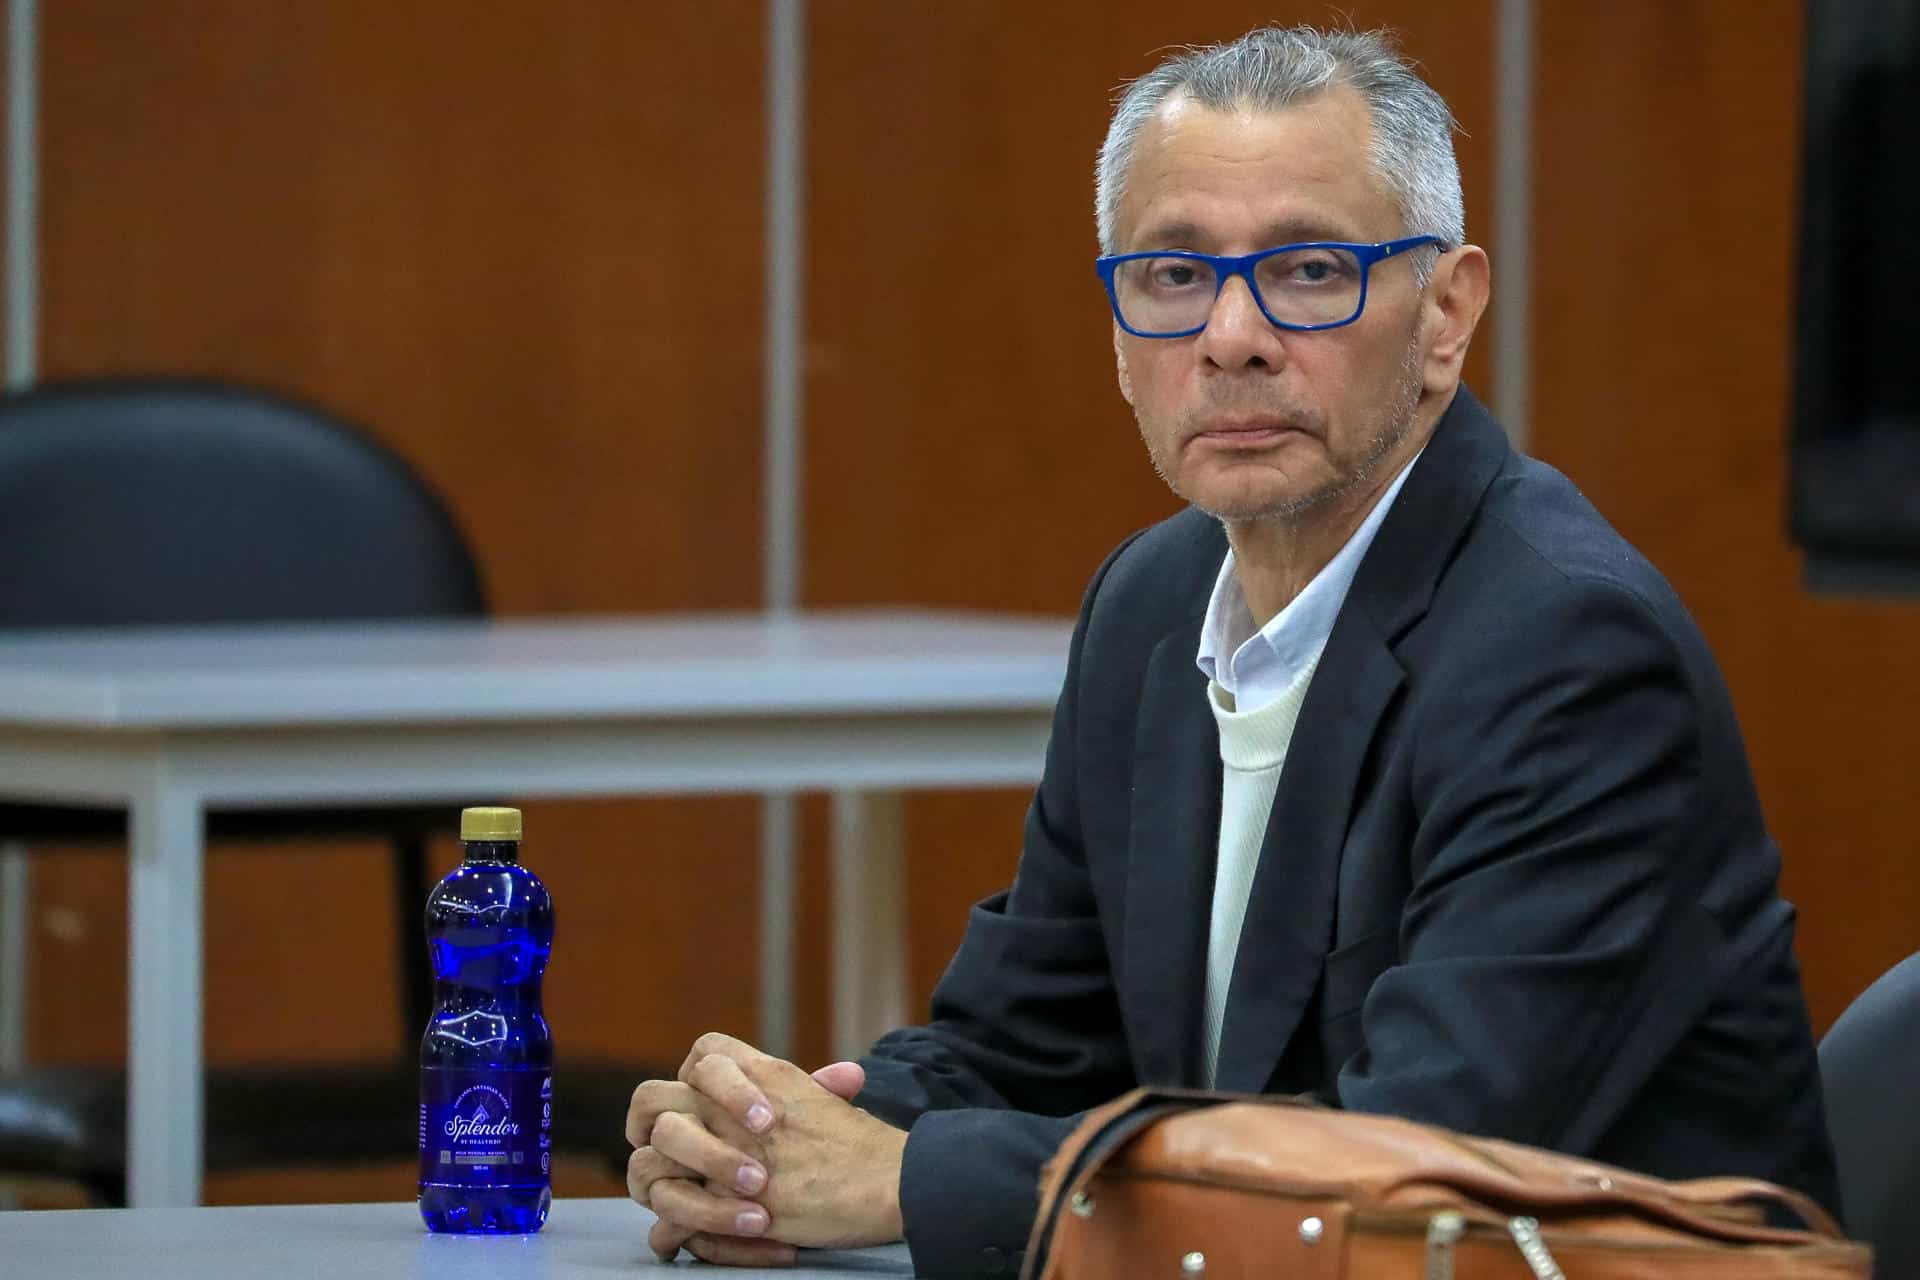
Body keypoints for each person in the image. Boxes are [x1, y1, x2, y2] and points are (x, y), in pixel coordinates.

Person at [623, 25, 1841, 1277]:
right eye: (1172, 274)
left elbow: (1409, 1167)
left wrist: (908, 1179)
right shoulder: (1150, 604)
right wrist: (775, 1137)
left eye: (1311, 270)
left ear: (1446, 313)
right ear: (1118, 327)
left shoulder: (1571, 648)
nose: (1233, 334)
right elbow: (1030, 1039)